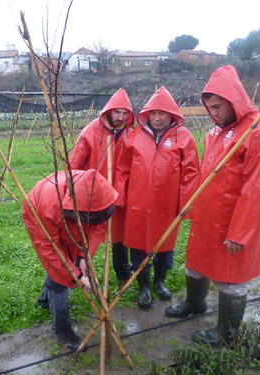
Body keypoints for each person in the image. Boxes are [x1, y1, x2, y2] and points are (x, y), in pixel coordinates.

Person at [165, 65, 260, 346]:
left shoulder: (257, 133)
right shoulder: (216, 132)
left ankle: (226, 335)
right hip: (208, 217)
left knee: (231, 277)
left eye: (218, 106)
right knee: (197, 264)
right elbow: (207, 174)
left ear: (234, 99)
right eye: (210, 107)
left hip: (233, 221)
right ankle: (195, 304)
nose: (214, 112)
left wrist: (240, 232)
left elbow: (257, 188)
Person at [113, 87, 200, 309]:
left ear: (172, 114)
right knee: (138, 247)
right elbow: (122, 168)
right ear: (147, 114)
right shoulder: (134, 136)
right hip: (137, 204)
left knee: (165, 247)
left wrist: (186, 205)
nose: (157, 118)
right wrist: (120, 197)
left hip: (168, 205)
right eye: (153, 113)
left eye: (162, 113)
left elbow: (190, 174)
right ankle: (144, 288)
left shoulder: (184, 138)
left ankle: (160, 282)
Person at [22, 169, 118, 350]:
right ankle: (62, 328)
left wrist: (83, 256)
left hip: (71, 216)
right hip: (37, 215)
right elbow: (50, 249)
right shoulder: (50, 206)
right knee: (59, 275)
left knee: (67, 260)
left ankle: (45, 299)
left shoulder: (99, 198)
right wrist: (78, 277)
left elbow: (99, 227)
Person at [69, 88, 135, 290]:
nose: (120, 118)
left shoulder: (131, 134)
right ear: (109, 110)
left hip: (120, 193)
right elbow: (75, 163)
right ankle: (75, 276)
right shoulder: (91, 131)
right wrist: (71, 188)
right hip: (93, 193)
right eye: (117, 112)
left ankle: (123, 274)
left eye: (125, 114)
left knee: (119, 235)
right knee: (87, 233)